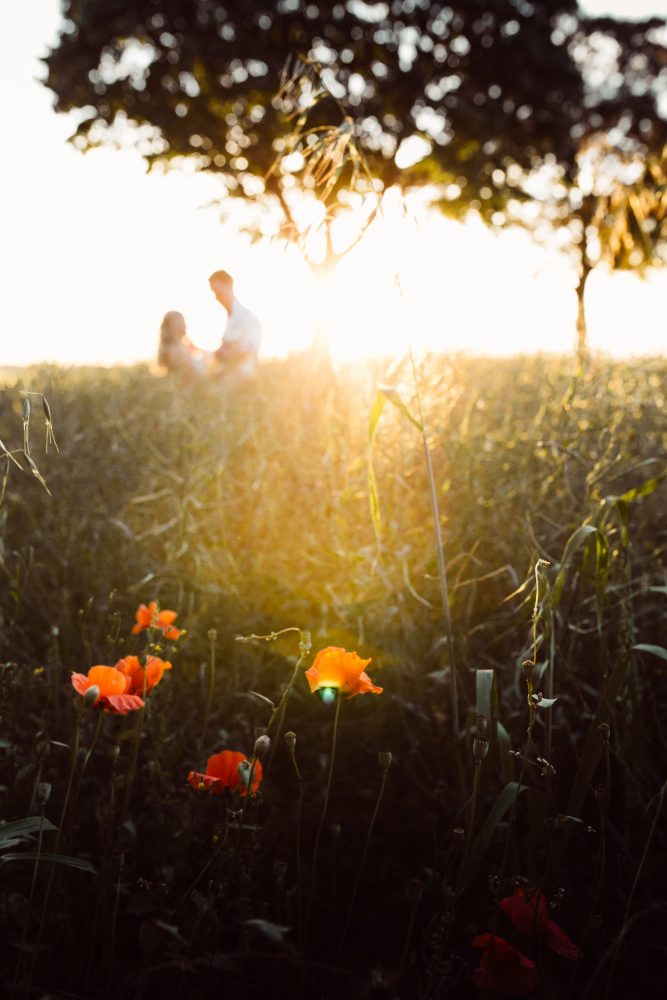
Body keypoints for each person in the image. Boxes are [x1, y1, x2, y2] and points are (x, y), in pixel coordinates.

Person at [208, 269, 261, 379]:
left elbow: (249, 349)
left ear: (229, 285)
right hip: (229, 374)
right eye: (214, 293)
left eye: (217, 292)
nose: (216, 297)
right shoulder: (229, 319)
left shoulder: (247, 318)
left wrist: (226, 352)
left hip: (243, 376)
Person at [157, 311, 204, 379]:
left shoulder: (172, 348)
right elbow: (193, 373)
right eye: (183, 322)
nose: (186, 325)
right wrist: (203, 357)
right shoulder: (174, 351)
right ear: (175, 325)